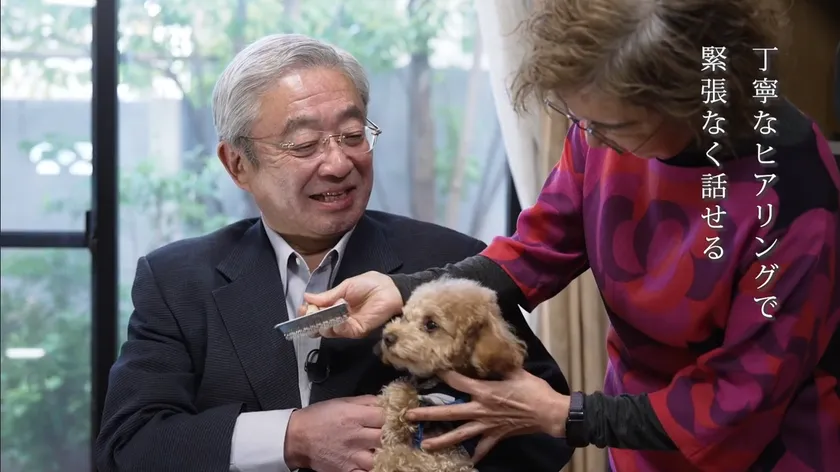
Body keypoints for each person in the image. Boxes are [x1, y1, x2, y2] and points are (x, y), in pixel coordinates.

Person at [304, 1, 840, 471]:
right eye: (581, 121)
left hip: (766, 449)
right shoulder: (601, 124)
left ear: (688, 100)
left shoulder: (795, 195)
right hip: (635, 439)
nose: (592, 137)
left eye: (613, 127)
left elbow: (741, 393)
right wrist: (407, 291)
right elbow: (541, 246)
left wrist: (563, 414)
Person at [94, 34, 574, 472]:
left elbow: (547, 437)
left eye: (352, 135)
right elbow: (131, 443)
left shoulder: (451, 260)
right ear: (237, 164)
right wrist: (290, 437)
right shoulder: (177, 279)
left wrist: (432, 426)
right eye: (304, 144)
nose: (340, 163)